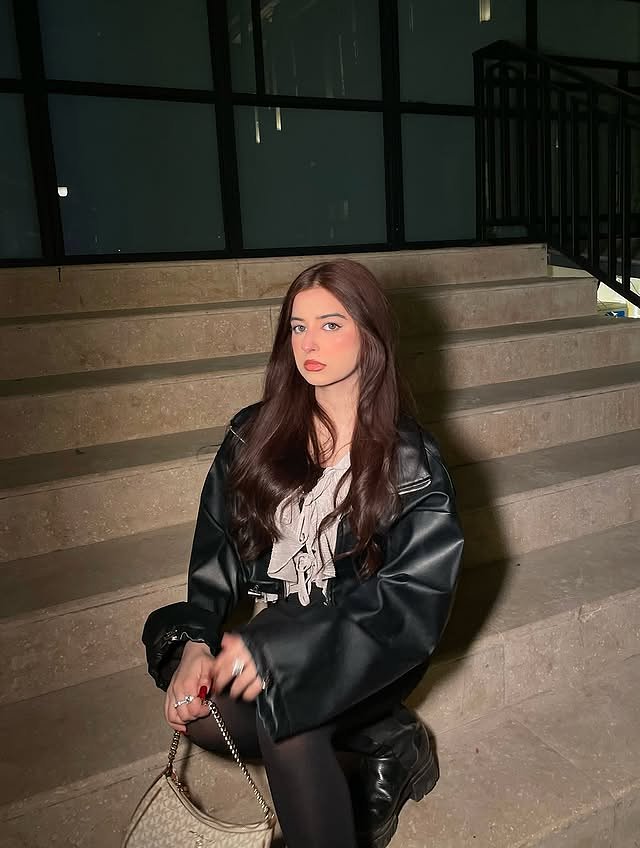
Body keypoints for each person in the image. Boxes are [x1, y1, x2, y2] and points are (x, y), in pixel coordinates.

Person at [142, 258, 464, 848]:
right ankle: (382, 743)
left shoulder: (411, 459)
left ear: (370, 338)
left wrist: (283, 653)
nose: (308, 344)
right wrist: (196, 642)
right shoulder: (253, 433)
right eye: (297, 326)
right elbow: (216, 550)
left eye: (331, 324)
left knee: (288, 719)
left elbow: (414, 601)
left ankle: (355, 768)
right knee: (204, 716)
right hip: (284, 624)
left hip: (371, 639)